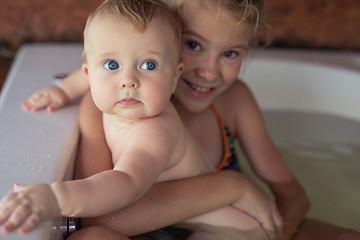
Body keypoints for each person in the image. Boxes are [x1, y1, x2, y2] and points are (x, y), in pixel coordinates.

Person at [21, 0, 360, 239]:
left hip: (234, 228)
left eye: (230, 53)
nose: (209, 71)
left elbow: (293, 197)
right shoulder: (110, 105)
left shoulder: (234, 99)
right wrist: (231, 186)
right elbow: (100, 218)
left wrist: (277, 235)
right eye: (193, 44)